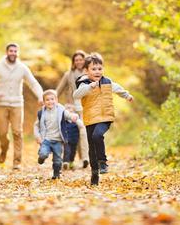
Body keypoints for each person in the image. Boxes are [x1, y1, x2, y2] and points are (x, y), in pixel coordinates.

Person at [73, 53, 133, 186]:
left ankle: (103, 162)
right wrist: (89, 87)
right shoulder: (84, 83)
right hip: (90, 118)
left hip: (105, 116)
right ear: (86, 71)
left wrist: (127, 96)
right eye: (93, 69)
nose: (97, 71)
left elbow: (118, 89)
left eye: (100, 68)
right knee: (91, 147)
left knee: (97, 135)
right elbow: (76, 95)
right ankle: (95, 171)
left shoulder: (107, 82)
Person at [0, 43, 43, 170]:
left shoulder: (22, 68)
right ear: (7, 52)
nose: (13, 53)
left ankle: (17, 161)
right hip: (1, 104)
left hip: (17, 104)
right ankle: (4, 149)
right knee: (2, 133)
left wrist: (40, 96)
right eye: (11, 51)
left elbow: (33, 83)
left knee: (17, 132)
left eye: (15, 51)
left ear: (18, 53)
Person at [34, 90, 79, 179]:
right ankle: (41, 158)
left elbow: (68, 115)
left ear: (56, 100)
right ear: (43, 102)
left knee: (58, 159)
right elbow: (36, 125)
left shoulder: (61, 110)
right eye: (47, 100)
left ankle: (56, 174)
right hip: (46, 139)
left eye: (52, 99)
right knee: (43, 153)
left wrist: (73, 116)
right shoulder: (41, 113)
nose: (50, 101)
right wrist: (37, 136)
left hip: (58, 140)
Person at [56, 50, 89, 168]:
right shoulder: (68, 75)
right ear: (73, 62)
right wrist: (51, 102)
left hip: (85, 107)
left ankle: (85, 158)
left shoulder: (89, 73)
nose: (79, 62)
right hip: (71, 108)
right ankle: (70, 159)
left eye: (81, 59)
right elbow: (58, 91)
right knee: (72, 135)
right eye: (76, 60)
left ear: (84, 60)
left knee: (84, 132)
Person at [62, 104, 85, 170]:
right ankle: (65, 162)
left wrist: (78, 120)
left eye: (71, 110)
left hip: (75, 139)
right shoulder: (64, 121)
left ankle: (71, 162)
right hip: (66, 139)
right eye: (68, 110)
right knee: (67, 150)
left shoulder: (77, 121)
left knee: (73, 151)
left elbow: (81, 126)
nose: (70, 111)